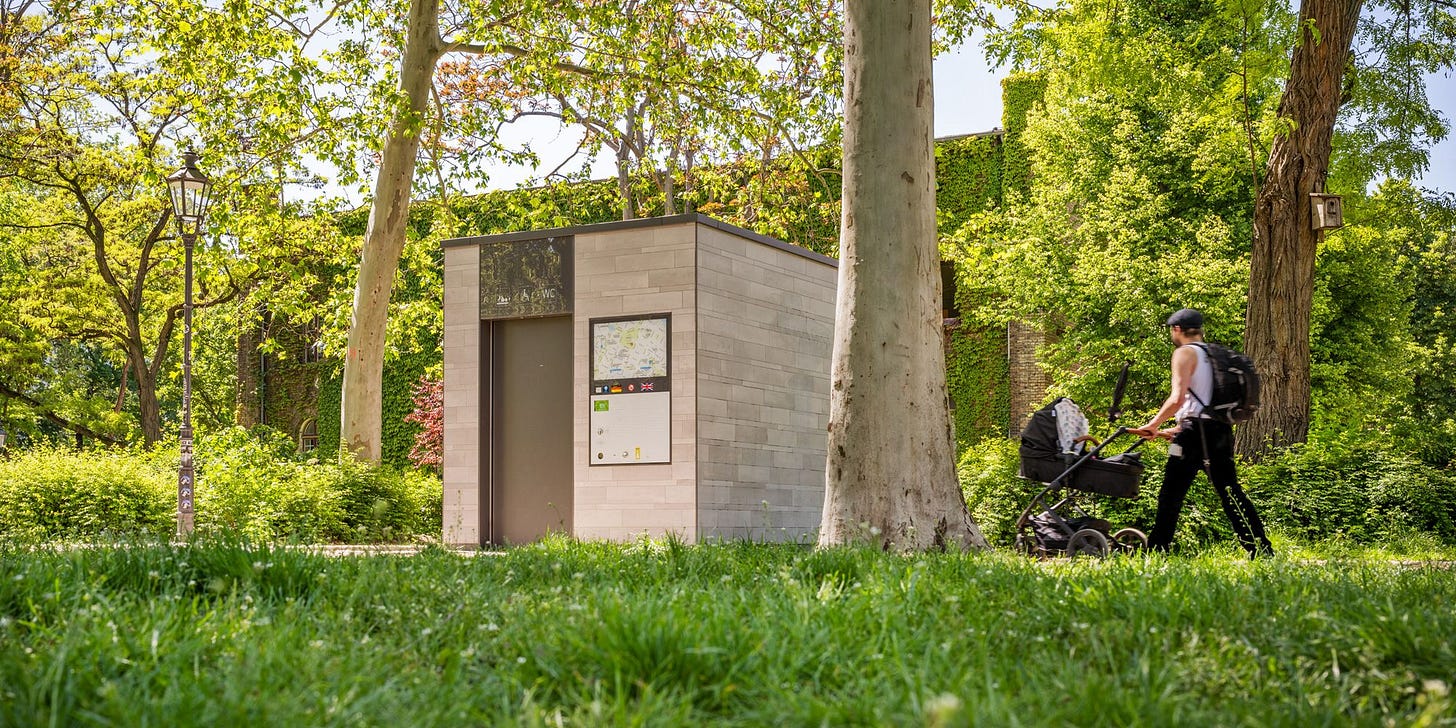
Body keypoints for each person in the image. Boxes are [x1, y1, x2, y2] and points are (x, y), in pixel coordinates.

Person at [1129, 308, 1274, 558]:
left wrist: (1151, 425)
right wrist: (1173, 430)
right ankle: (1261, 549)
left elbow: (1178, 398)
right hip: (1219, 430)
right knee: (1230, 490)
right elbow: (1203, 403)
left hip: (1195, 433)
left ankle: (1156, 551)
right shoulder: (1213, 355)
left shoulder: (1183, 353)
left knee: (1170, 494)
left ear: (1176, 330)